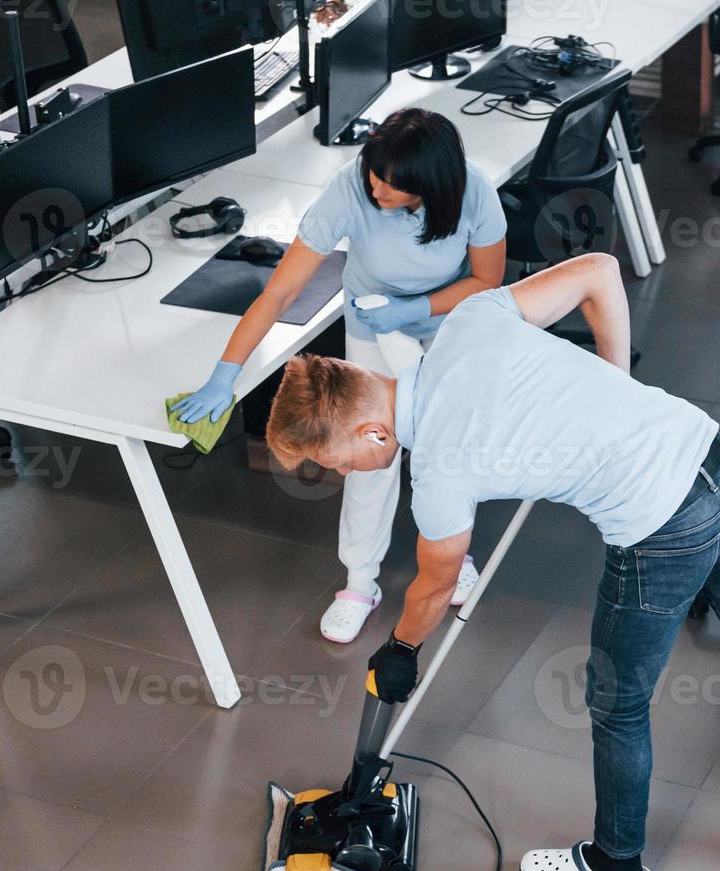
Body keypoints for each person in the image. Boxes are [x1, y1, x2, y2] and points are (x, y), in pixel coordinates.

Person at [263, 253, 720, 871]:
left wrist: (402, 647)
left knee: (618, 703)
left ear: (370, 431)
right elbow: (599, 270)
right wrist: (614, 387)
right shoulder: (469, 322)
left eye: (328, 460)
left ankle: (616, 864)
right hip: (715, 465)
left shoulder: (440, 473)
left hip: (662, 528)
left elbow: (436, 583)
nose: (338, 473)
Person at [173, 108, 507, 644]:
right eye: (373, 175)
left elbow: (488, 280)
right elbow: (280, 291)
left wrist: (417, 307)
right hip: (374, 330)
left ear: (429, 184)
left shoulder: (473, 192)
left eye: (392, 187)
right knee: (367, 456)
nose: (377, 190)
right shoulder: (350, 188)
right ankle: (360, 583)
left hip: (447, 325)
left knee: (444, 450)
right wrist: (224, 375)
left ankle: (451, 551)